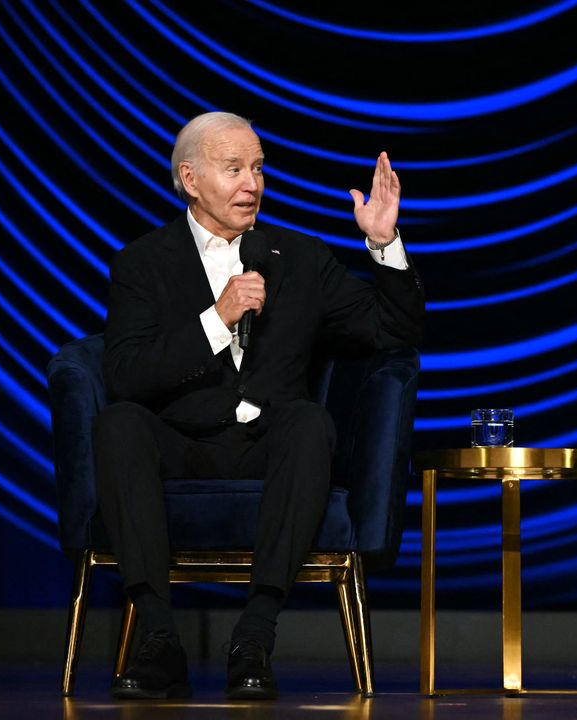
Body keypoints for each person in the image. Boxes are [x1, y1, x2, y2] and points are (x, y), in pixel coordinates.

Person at [93, 112, 424, 700]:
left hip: (270, 449)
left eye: (258, 169)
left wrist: (382, 243)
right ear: (190, 179)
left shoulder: (300, 258)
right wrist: (216, 319)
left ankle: (255, 634)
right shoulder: (142, 263)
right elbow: (124, 375)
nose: (252, 184)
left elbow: (392, 329)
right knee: (118, 423)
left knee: (309, 422)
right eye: (235, 169)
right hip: (181, 448)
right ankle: (159, 637)